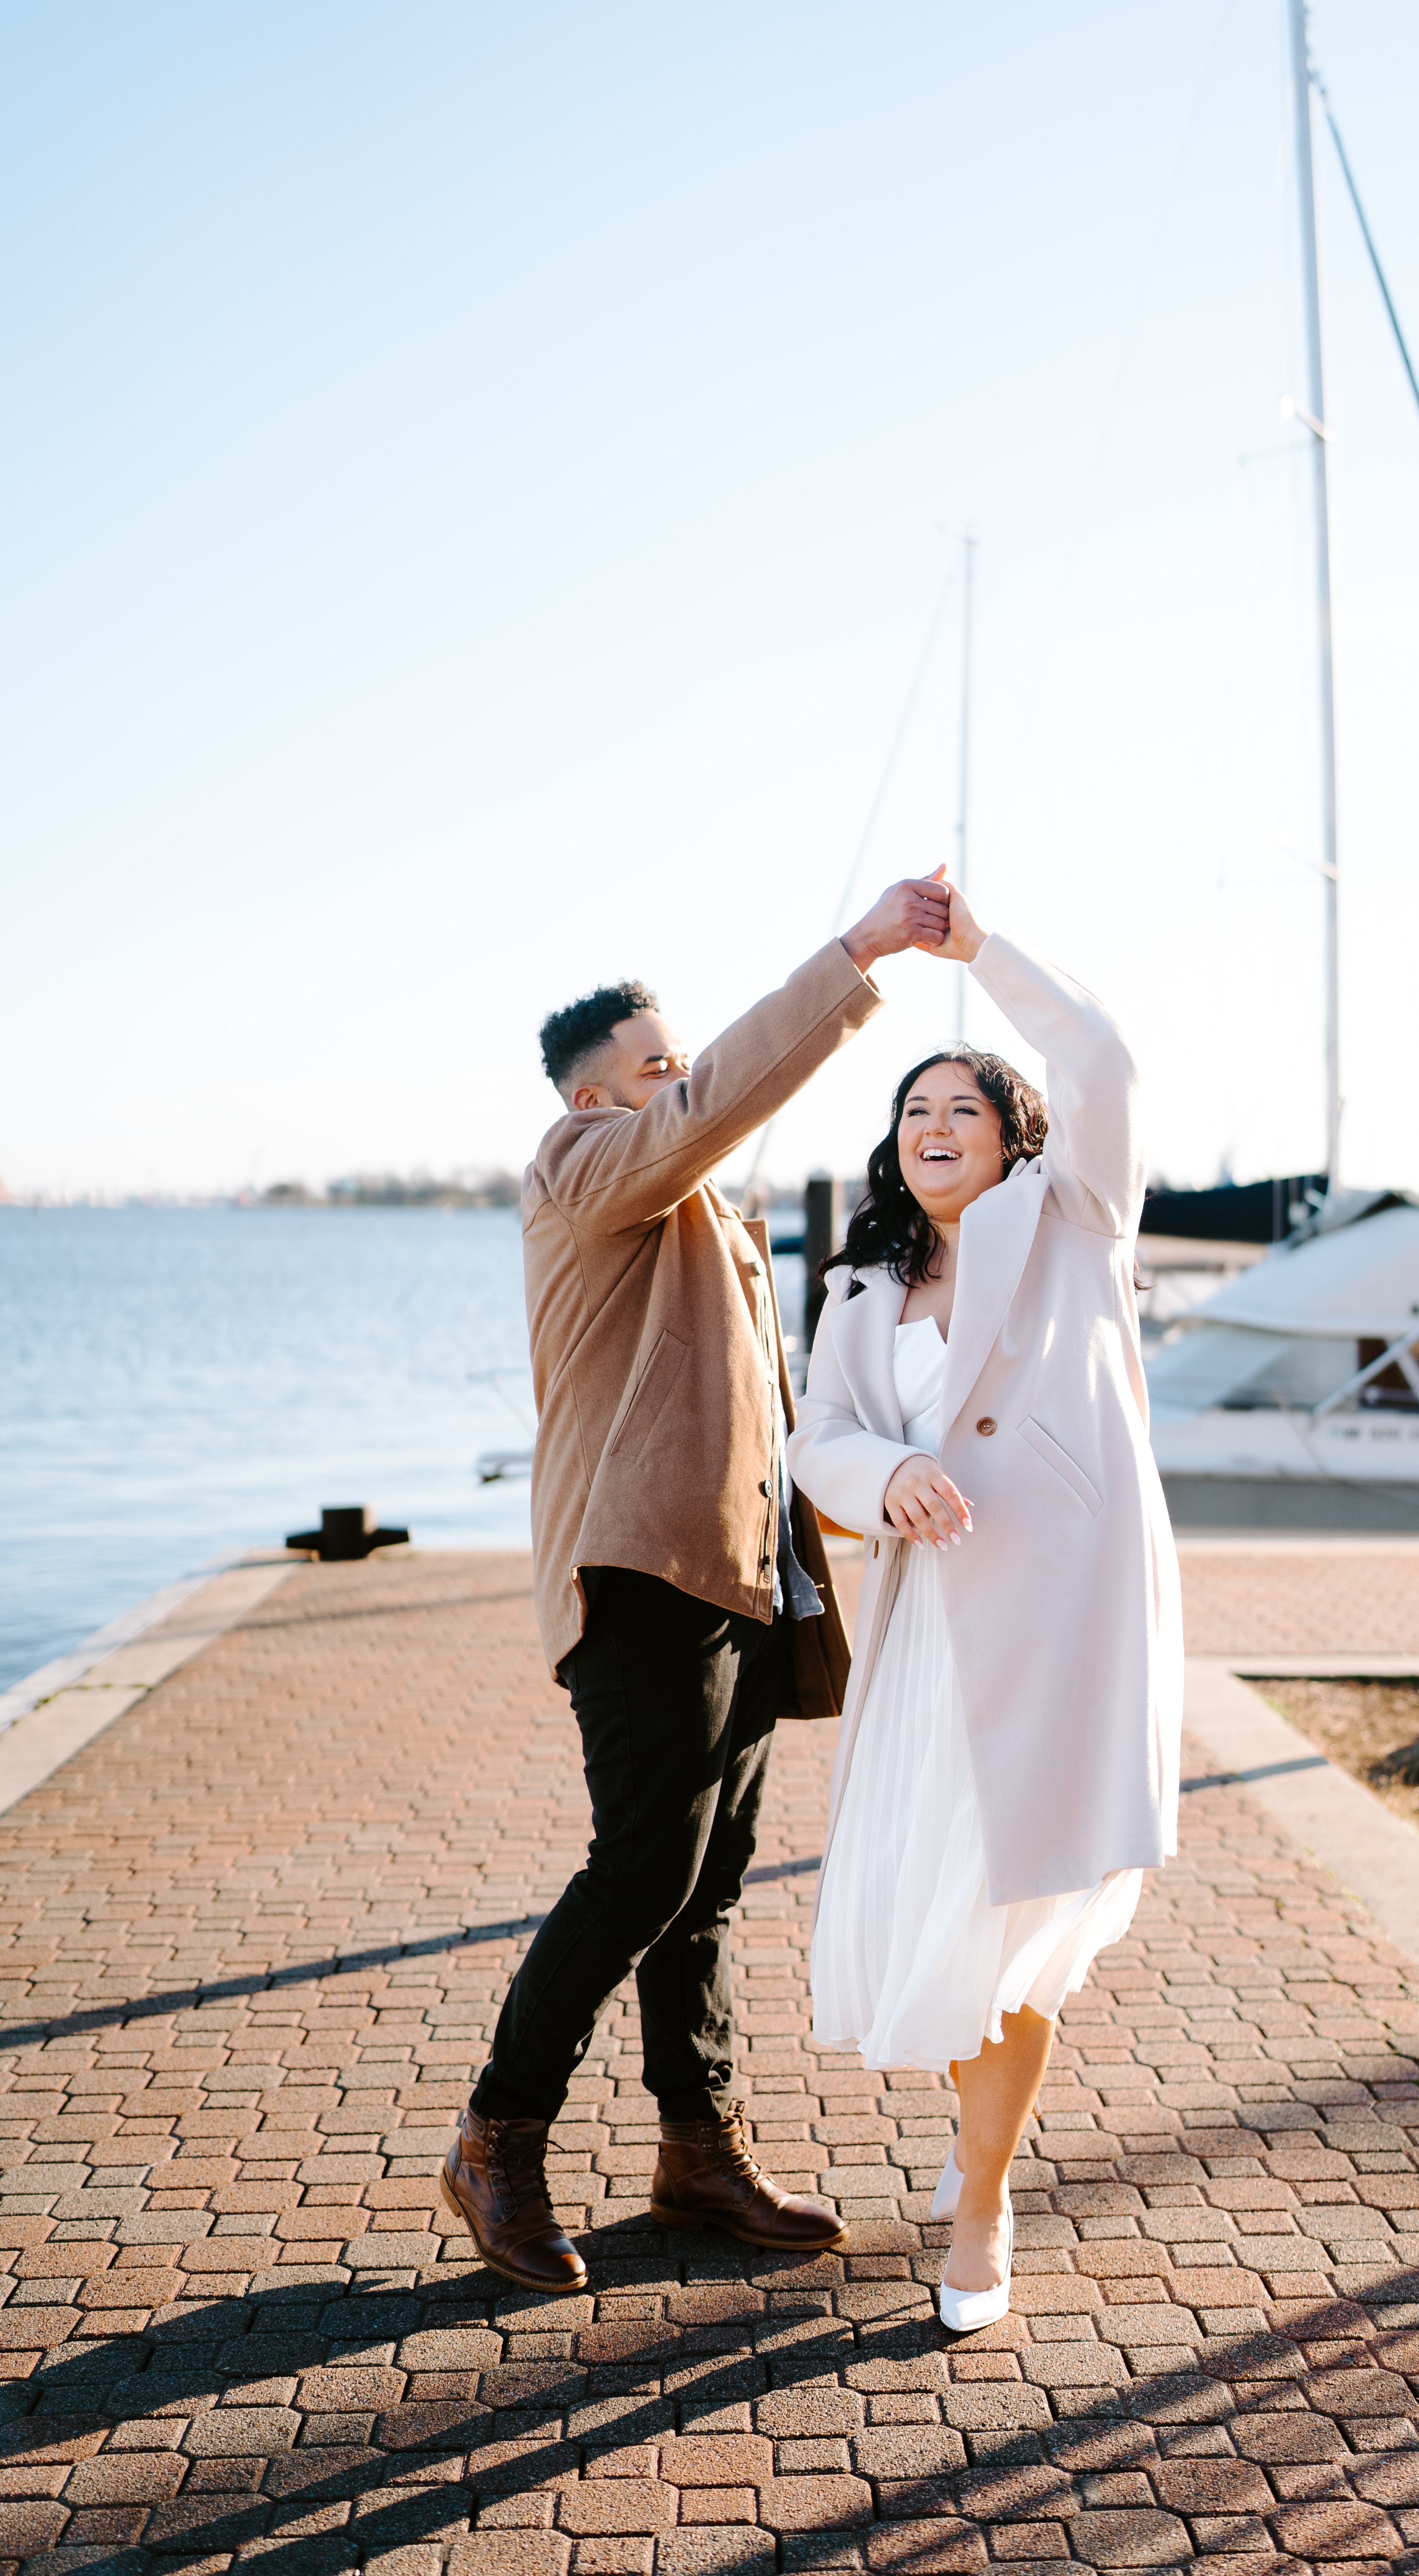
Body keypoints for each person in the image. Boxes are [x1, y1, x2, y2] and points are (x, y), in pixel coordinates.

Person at [440, 870, 952, 2293]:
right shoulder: (580, 1168)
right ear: (597, 1100)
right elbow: (712, 1100)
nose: (678, 1085)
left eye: (675, 1063)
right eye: (653, 1069)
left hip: (733, 1578)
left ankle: (696, 2152)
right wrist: (855, 956)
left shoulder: (701, 1215)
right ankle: (498, 2137)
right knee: (644, 1870)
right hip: (637, 1575)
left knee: (710, 1882)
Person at [787, 881, 1181, 2333]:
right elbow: (813, 1437)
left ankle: (981, 2202)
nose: (934, 1128)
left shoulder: (1076, 1219)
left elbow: (1107, 1065)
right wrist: (882, 1471)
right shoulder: (857, 1292)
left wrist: (976, 951)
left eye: (964, 1107)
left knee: (1012, 1934)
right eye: (914, 1114)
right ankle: (980, 2172)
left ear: (1015, 1133)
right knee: (950, 1931)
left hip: (1059, 1634)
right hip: (930, 1652)